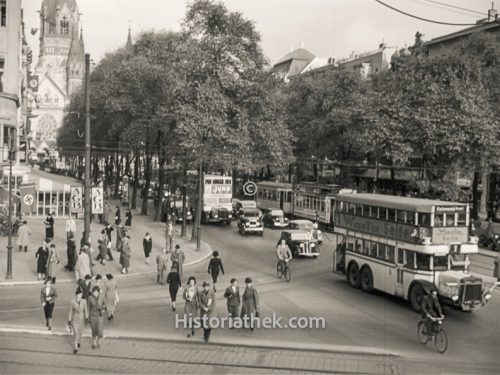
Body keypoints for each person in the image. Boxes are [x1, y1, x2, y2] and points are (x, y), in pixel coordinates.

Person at [68, 287, 89, 354]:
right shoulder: (72, 302)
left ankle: (79, 341)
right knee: (76, 333)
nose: (79, 296)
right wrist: (69, 320)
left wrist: (87, 318)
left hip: (82, 319)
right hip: (74, 319)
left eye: (80, 294)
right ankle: (75, 347)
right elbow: (70, 311)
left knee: (80, 332)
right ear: (76, 295)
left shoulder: (84, 301)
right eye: (78, 294)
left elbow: (85, 310)